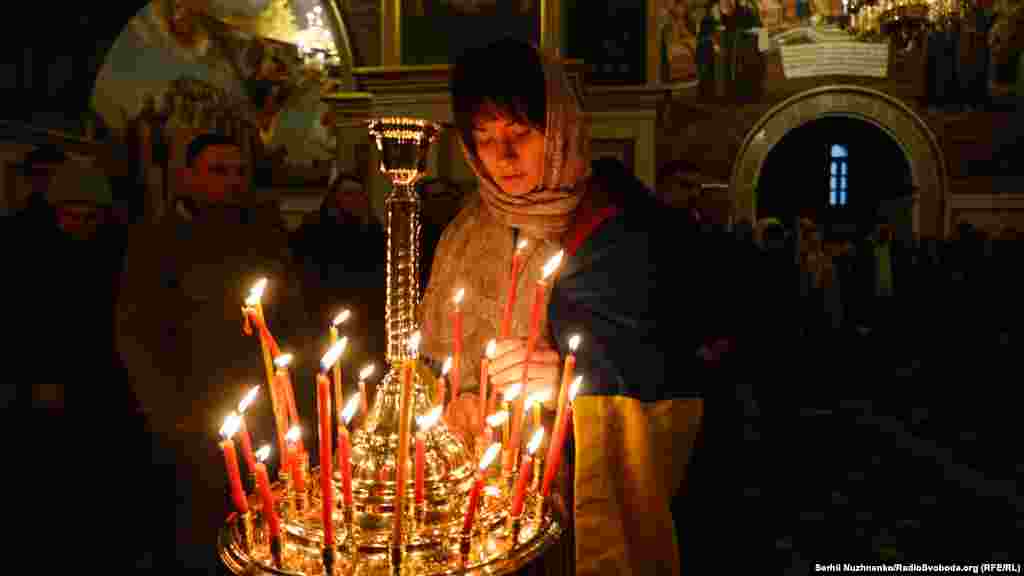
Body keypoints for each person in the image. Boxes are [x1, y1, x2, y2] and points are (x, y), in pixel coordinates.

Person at [419, 38, 756, 575]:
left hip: (572, 509)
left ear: (560, 126)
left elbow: (685, 369)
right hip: (473, 501)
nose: (502, 158)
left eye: (521, 134)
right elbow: (435, 356)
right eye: (484, 139)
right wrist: (452, 397)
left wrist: (572, 382)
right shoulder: (463, 233)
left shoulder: (623, 227)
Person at [115, 133, 314, 573]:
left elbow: (293, 319)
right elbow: (137, 331)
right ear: (188, 177)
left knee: (264, 529)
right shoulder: (158, 238)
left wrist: (292, 396)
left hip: (263, 411)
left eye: (239, 171)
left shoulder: (265, 233)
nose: (232, 181)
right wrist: (166, 413)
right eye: (218, 170)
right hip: (191, 415)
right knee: (198, 535)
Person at [292, 173, 387, 379]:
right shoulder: (313, 231)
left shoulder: (374, 233)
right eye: (347, 194)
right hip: (324, 320)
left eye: (359, 194)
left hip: (366, 324)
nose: (353, 199)